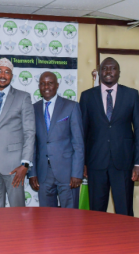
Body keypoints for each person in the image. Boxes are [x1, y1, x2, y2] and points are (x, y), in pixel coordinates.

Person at [79, 57, 139, 216]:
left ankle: (127, 241)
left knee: (124, 211)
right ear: (100, 72)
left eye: (113, 68)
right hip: (95, 164)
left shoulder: (132, 95)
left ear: (119, 73)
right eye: (105, 68)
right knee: (96, 212)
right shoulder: (87, 96)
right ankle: (97, 241)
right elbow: (82, 132)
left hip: (124, 164)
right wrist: (82, 163)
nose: (109, 71)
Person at [0, 58, 35, 208]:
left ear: (12, 75)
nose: (3, 75)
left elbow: (29, 132)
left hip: (14, 165)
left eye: (7, 72)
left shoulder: (23, 97)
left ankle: (18, 233)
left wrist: (25, 164)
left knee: (17, 210)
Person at [28, 72, 84, 208]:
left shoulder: (71, 106)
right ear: (39, 86)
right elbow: (31, 144)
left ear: (57, 85)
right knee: (46, 218)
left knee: (70, 217)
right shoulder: (33, 109)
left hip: (67, 173)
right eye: (42, 83)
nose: (46, 86)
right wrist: (32, 173)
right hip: (43, 173)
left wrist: (77, 173)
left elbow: (78, 143)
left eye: (50, 83)